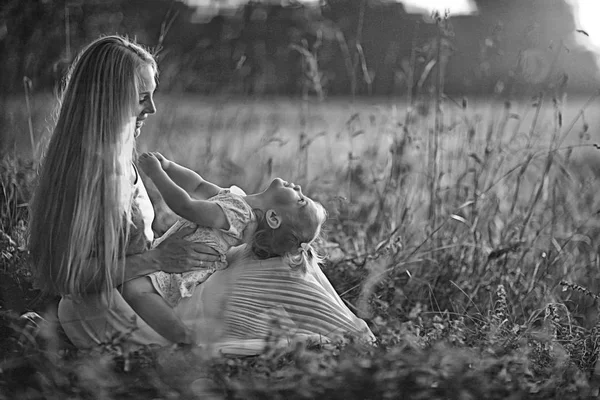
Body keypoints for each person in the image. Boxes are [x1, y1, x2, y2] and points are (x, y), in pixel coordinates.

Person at [27, 35, 375, 354]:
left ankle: (355, 337)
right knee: (280, 275)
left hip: (150, 284)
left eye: (152, 95)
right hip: (116, 306)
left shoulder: (119, 157)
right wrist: (159, 259)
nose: (152, 109)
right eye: (141, 98)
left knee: (294, 256)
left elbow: (200, 192)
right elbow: (65, 277)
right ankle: (353, 343)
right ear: (109, 101)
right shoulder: (91, 176)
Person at [122, 151, 327, 344]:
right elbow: (198, 185)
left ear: (273, 218)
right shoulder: (239, 201)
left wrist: (156, 173)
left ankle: (183, 337)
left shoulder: (237, 216)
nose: (299, 188)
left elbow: (186, 206)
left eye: (300, 200)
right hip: (171, 251)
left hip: (182, 267)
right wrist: (169, 166)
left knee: (136, 291)